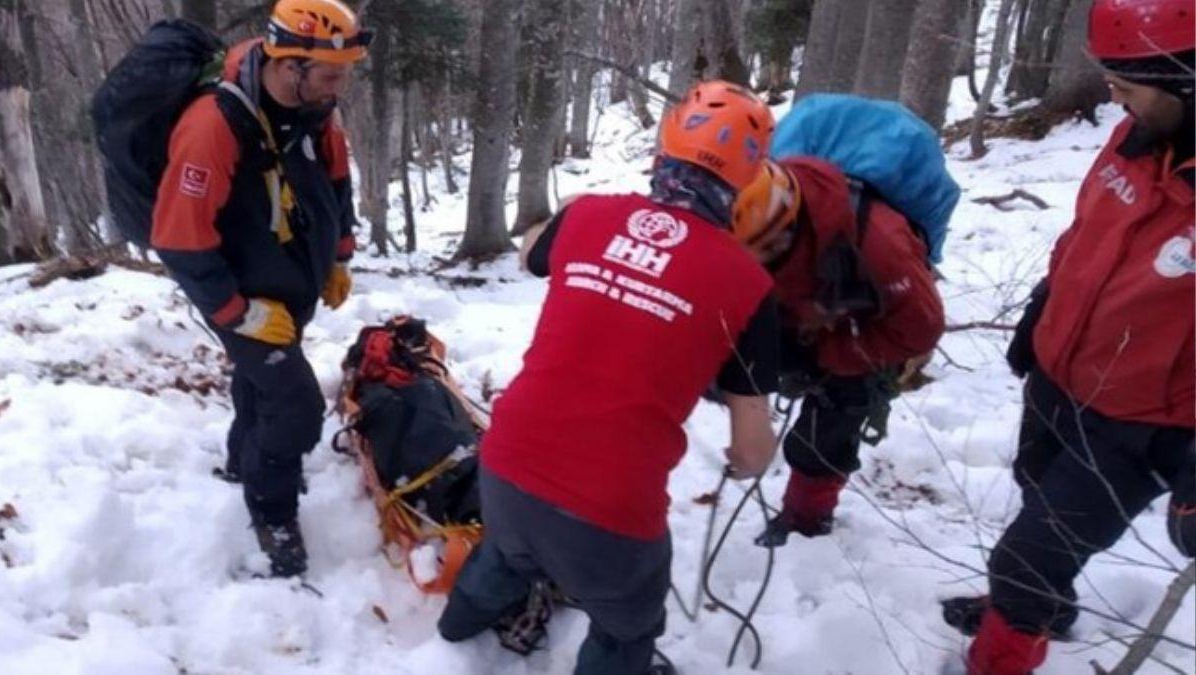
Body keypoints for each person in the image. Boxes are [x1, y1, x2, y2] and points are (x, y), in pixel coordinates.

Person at [437, 80, 782, 675]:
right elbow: (751, 451)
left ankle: (453, 632)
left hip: (506, 462)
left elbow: (529, 256)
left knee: (509, 550)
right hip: (611, 513)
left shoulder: (590, 214)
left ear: (661, 150)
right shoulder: (750, 289)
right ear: (746, 182)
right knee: (631, 623)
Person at [945, 1, 1196, 672]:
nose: (1111, 98)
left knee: (1024, 558)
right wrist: (1043, 308)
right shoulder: (1133, 139)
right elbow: (1084, 236)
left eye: (1128, 85)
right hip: (1060, 379)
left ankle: (1003, 646)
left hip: (1139, 425)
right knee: (1035, 497)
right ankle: (1033, 608)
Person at [150, 0, 371, 577]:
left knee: (264, 384)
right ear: (289, 63)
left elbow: (337, 180)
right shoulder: (213, 125)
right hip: (240, 292)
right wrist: (237, 312)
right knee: (297, 407)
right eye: (330, 73)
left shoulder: (313, 107)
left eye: (345, 72)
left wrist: (339, 255)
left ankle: (240, 459)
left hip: (291, 279)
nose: (339, 85)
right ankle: (272, 513)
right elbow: (179, 238)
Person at [733, 153, 946, 547]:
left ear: (782, 232)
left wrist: (835, 354)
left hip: (860, 330)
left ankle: (806, 517)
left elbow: (921, 329)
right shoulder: (750, 216)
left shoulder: (880, 245)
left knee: (830, 426)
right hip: (795, 313)